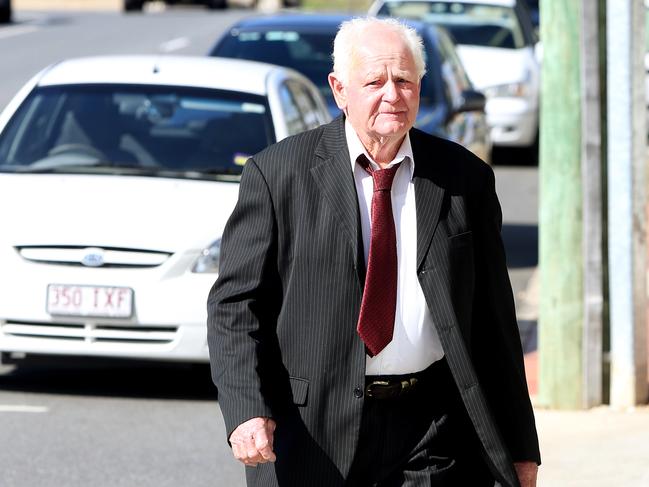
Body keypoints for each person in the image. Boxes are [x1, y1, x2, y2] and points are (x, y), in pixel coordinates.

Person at [207, 16, 540, 487]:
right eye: (375, 81)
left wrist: (521, 448)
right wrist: (246, 411)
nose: (392, 94)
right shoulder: (278, 174)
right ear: (340, 89)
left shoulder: (464, 179)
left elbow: (495, 322)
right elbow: (234, 307)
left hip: (432, 429)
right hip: (313, 432)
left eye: (404, 80)